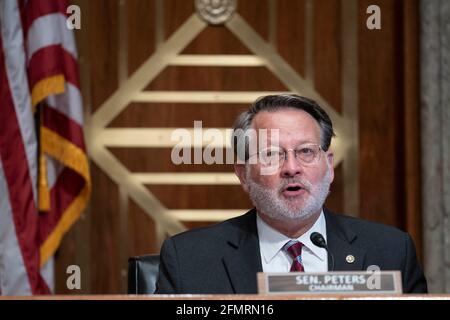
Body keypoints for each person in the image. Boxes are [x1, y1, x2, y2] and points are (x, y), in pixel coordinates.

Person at [156, 94, 427, 294]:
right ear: (243, 174)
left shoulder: (390, 252)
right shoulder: (190, 259)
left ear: (329, 166)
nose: (292, 168)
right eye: (272, 154)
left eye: (306, 152)